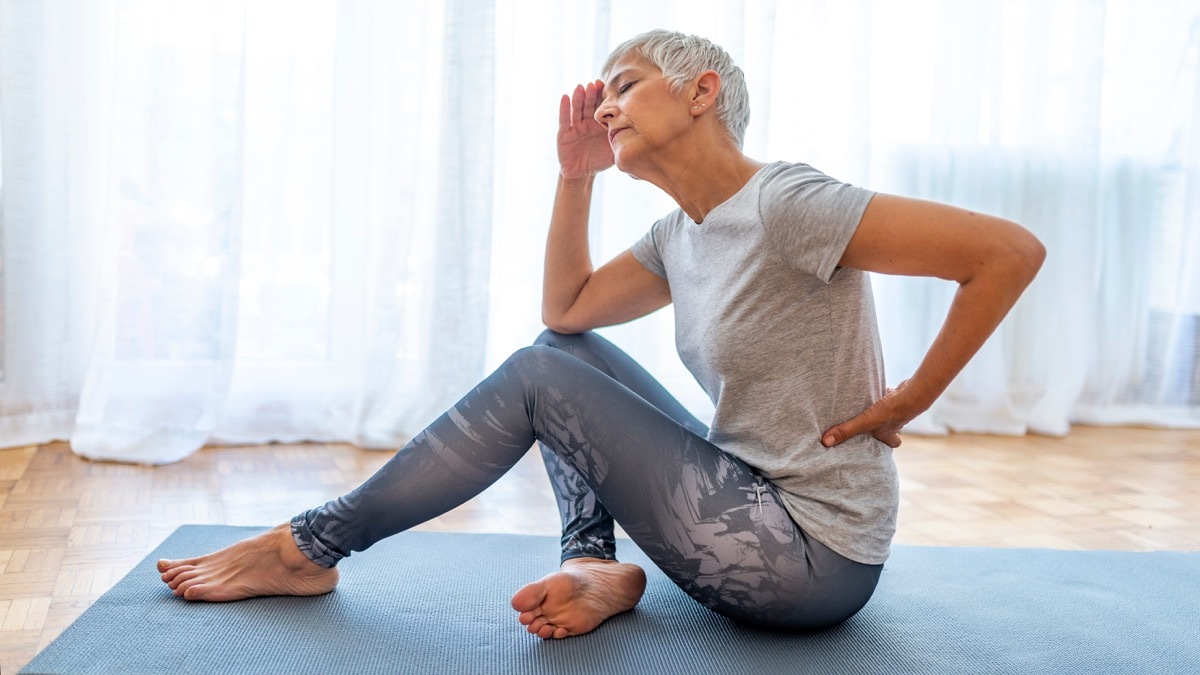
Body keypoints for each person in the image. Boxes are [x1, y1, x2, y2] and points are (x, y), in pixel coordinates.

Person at [157, 29, 1044, 639]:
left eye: (626, 85)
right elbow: (567, 312)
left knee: (542, 378)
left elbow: (1006, 253)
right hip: (743, 503)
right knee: (560, 358)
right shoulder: (678, 234)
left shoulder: (787, 202)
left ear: (702, 93)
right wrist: (575, 177)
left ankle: (307, 546)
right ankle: (593, 565)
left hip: (810, 558)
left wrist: (913, 397)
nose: (606, 106)